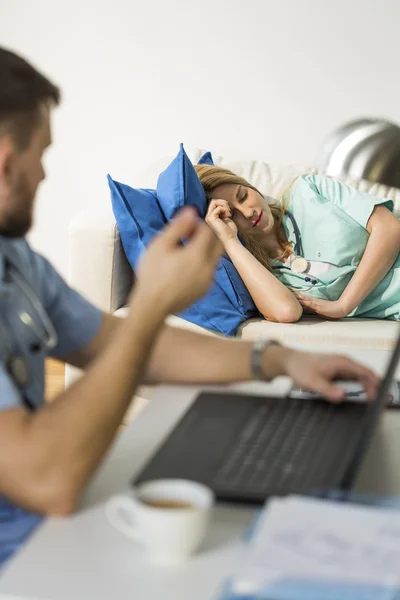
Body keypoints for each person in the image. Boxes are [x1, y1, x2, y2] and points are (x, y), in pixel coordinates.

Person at [0, 47, 378, 569]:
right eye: (40, 154)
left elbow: (112, 341)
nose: (44, 175)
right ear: (4, 163)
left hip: (54, 524)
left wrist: (280, 362)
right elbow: (48, 480)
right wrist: (154, 301)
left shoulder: (14, 258)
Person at [199, 164, 400, 323]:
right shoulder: (262, 275)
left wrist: (343, 305)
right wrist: (230, 240)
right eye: (232, 215)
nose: (248, 212)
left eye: (243, 196)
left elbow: (389, 228)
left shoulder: (308, 189)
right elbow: (286, 311)